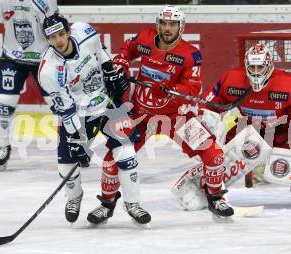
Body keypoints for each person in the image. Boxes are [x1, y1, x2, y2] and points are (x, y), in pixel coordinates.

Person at [172, 44, 291, 209]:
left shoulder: (287, 84)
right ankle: (208, 185)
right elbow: (207, 104)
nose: (255, 71)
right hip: (247, 128)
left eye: (259, 66)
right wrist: (209, 123)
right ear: (245, 66)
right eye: (251, 67)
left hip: (284, 131)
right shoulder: (232, 80)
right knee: (216, 153)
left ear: (269, 66)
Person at [96, 5, 234, 222]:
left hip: (175, 117)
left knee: (214, 154)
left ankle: (215, 197)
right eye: (163, 23)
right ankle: (107, 203)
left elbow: (192, 88)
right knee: (112, 158)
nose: (167, 28)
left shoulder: (190, 54)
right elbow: (126, 50)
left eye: (172, 24)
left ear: (181, 27)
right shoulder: (145, 37)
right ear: (157, 24)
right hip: (140, 113)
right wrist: (121, 62)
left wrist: (172, 90)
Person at [38, 14, 148, 225]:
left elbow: (101, 51)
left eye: (61, 34)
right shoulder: (49, 70)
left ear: (69, 31)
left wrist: (109, 69)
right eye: (52, 38)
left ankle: (133, 203)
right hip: (79, 115)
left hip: (107, 102)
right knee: (65, 166)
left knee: (125, 151)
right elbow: (67, 110)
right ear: (48, 40)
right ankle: (74, 196)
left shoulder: (84, 32)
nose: (58, 41)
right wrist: (76, 139)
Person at [0, 0, 58, 172]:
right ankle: (3, 147)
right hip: (12, 58)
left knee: (57, 102)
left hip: (44, 58)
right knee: (5, 100)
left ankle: (73, 145)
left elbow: (56, 29)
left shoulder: (44, 1)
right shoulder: (0, 1)